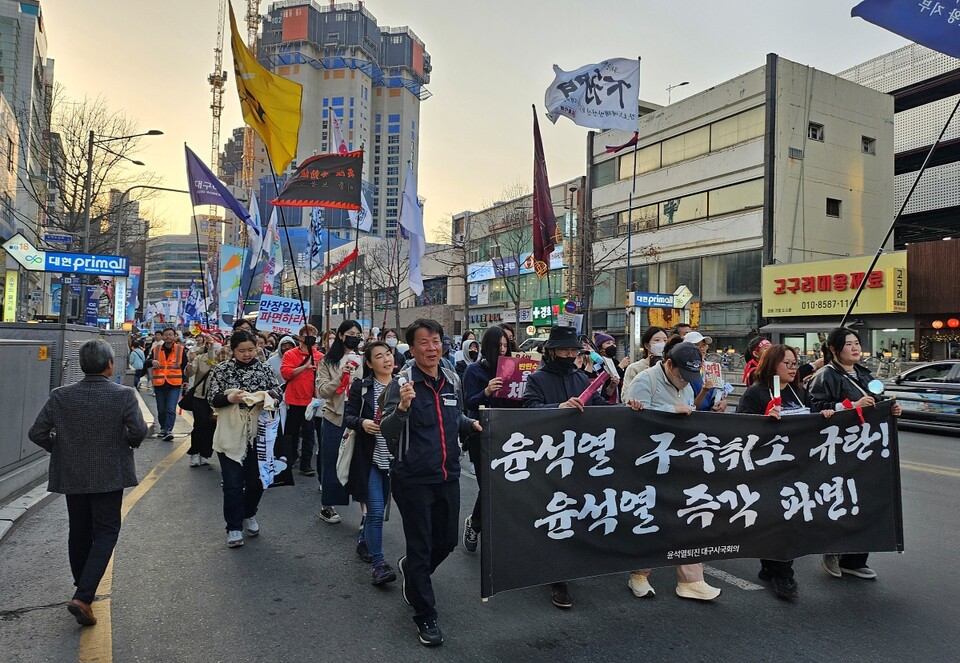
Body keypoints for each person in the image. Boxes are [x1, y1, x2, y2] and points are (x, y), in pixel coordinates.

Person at [28, 340, 148, 626]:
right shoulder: (123, 395)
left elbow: (37, 432)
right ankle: (83, 596)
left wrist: (59, 447)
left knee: (79, 530)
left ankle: (82, 589)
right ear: (110, 364)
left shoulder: (60, 396)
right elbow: (138, 431)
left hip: (72, 474)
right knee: (106, 533)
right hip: (110, 474)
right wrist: (126, 443)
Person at [523, 325, 642, 609]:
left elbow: (598, 405)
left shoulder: (581, 378)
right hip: (550, 458)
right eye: (563, 350)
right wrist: (558, 408)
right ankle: (557, 577)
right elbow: (527, 410)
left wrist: (627, 409)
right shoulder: (537, 379)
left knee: (576, 511)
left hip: (580, 457)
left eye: (573, 350)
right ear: (551, 352)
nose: (569, 355)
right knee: (555, 513)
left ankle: (568, 564)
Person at [380, 319, 481, 647]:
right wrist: (404, 408)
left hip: (447, 475)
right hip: (412, 479)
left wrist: (472, 424)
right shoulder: (402, 383)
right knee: (422, 547)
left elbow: (455, 418)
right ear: (411, 348)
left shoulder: (453, 378)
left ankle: (412, 569)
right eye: (423, 342)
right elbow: (387, 430)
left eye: (435, 341)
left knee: (446, 543)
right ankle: (426, 616)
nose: (431, 348)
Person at [625, 339, 723, 602]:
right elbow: (630, 416)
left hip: (680, 462)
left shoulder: (687, 383)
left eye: (691, 376)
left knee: (689, 517)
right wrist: (671, 410)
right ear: (668, 364)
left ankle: (692, 580)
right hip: (649, 464)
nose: (686, 381)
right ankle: (640, 574)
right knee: (651, 519)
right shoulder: (646, 380)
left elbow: (687, 412)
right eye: (682, 375)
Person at [736, 344, 835, 600]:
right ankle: (782, 574)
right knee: (775, 521)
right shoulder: (755, 394)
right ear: (772, 365)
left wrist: (824, 415)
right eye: (787, 363)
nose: (793, 368)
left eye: (795, 363)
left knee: (790, 520)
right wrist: (763, 419)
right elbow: (738, 428)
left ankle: (773, 568)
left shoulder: (799, 392)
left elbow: (814, 418)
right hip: (766, 471)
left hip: (797, 469)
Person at [807, 327, 902, 581]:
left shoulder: (864, 374)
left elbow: (879, 399)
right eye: (848, 344)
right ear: (834, 350)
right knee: (840, 499)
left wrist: (890, 408)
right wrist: (850, 406)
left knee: (865, 500)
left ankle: (855, 559)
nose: (855, 347)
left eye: (857, 343)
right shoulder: (825, 375)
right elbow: (814, 408)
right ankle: (831, 549)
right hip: (839, 449)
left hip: (866, 449)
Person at [207, 330, 281, 548]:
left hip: (260, 433)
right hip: (230, 433)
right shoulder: (222, 369)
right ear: (233, 350)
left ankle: (249, 513)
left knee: (257, 480)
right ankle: (233, 526)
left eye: (251, 350)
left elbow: (278, 393)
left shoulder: (264, 368)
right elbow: (213, 398)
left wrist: (266, 399)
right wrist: (230, 397)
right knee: (232, 484)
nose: (247, 354)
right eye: (242, 351)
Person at [344, 341, 398, 585]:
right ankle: (379, 564)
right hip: (371, 458)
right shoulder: (362, 387)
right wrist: (362, 423)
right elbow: (348, 416)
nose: (386, 359)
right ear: (369, 363)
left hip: (399, 461)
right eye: (379, 356)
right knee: (375, 511)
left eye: (388, 354)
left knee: (388, 511)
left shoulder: (405, 384)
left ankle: (364, 541)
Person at [461, 326, 518, 553]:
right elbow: (469, 403)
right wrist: (486, 391)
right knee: (489, 485)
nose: (503, 350)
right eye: (499, 346)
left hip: (509, 434)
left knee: (504, 484)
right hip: (481, 434)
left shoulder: (513, 369)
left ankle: (487, 525)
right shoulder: (474, 371)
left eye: (506, 346)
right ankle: (475, 524)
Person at [315, 320, 364, 523]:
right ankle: (328, 505)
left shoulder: (363, 359)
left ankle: (366, 510)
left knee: (359, 463)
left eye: (357, 334)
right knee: (333, 461)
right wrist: (340, 377)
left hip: (359, 417)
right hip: (335, 417)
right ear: (341, 335)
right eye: (350, 333)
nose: (354, 337)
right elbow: (322, 390)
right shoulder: (327, 361)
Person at [281, 324, 324, 476]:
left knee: (308, 434)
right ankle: (289, 459)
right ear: (300, 337)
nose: (310, 337)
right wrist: (305, 367)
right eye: (307, 334)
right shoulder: (290, 354)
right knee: (291, 433)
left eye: (313, 334)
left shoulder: (320, 357)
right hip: (293, 400)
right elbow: (286, 373)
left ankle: (306, 464)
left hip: (311, 402)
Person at [184, 333, 221, 468]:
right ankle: (195, 453)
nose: (214, 348)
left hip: (216, 398)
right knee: (200, 425)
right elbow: (189, 373)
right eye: (211, 345)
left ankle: (205, 454)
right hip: (200, 397)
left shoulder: (222, 361)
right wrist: (190, 361)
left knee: (211, 426)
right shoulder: (200, 358)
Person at [150, 327, 188, 441]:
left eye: (170, 335)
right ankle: (163, 428)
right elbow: (147, 361)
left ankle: (168, 430)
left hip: (174, 384)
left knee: (171, 409)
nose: (168, 337)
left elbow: (184, 366)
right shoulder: (155, 349)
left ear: (174, 336)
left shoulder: (180, 350)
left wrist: (185, 381)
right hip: (159, 384)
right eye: (166, 335)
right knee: (161, 409)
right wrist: (152, 361)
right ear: (162, 337)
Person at [683, 331, 728, 413]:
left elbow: (716, 390)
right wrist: (704, 391)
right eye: (697, 346)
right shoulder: (683, 371)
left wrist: (723, 402)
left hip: (711, 418)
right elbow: (690, 407)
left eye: (703, 345)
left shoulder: (711, 367)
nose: (702, 349)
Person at [621, 326, 667, 398]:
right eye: (657, 340)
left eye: (665, 340)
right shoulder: (634, 368)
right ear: (647, 345)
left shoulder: (670, 367)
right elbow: (625, 397)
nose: (662, 344)